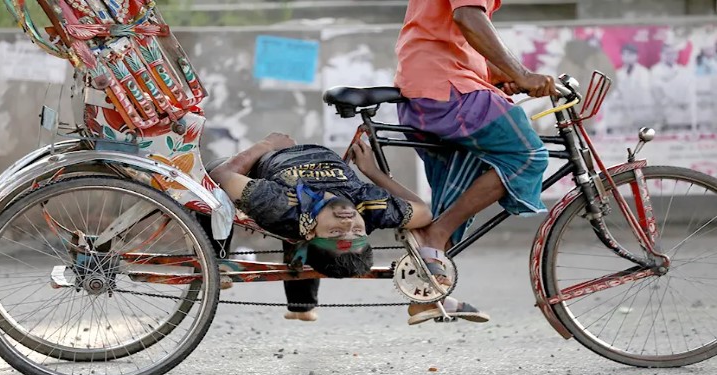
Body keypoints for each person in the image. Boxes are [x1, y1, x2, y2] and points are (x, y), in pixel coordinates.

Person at [209, 132, 488, 325]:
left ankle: (215, 259)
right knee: (316, 222)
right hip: (309, 194)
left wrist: (266, 144)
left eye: (336, 233)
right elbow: (424, 211)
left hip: (267, 163)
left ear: (310, 233)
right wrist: (373, 172)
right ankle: (302, 308)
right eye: (357, 233)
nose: (348, 223)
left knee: (207, 187)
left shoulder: (280, 203)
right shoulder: (370, 208)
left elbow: (218, 177)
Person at [394, 1, 557, 317]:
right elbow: (468, 16)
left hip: (431, 87)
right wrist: (521, 73)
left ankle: (428, 291)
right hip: (447, 87)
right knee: (528, 154)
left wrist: (498, 74)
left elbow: (451, 35)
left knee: (464, 179)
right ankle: (435, 234)